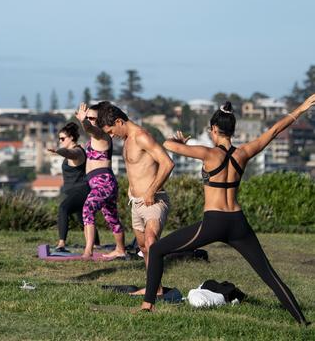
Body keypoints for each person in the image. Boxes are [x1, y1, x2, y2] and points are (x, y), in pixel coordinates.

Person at [140, 96, 315, 325]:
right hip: (238, 222)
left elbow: (168, 146)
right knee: (270, 276)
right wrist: (301, 108)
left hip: (213, 222)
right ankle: (303, 323)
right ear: (232, 130)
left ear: (214, 129)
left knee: (157, 249)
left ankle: (147, 306)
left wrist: (178, 139)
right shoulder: (243, 153)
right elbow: (274, 131)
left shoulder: (208, 154)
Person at [96, 102, 174, 290]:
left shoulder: (141, 137)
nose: (111, 135)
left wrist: (152, 190)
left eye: (111, 131)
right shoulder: (127, 139)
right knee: (144, 248)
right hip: (137, 203)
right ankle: (154, 288)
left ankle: (153, 291)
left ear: (119, 121)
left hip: (153, 200)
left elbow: (167, 163)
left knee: (150, 242)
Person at [76, 103, 126, 259]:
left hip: (103, 183)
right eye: (88, 117)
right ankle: (120, 249)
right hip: (103, 184)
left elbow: (89, 128)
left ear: (100, 120)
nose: (90, 120)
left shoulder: (101, 135)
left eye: (92, 118)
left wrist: (83, 121)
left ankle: (88, 251)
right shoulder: (95, 138)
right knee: (112, 218)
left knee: (87, 209)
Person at [47, 122, 93, 252]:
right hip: (74, 192)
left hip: (81, 191)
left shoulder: (77, 152)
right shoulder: (73, 152)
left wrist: (58, 151)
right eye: (59, 139)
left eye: (62, 138)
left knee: (63, 208)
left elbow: (69, 153)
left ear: (71, 138)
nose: (60, 141)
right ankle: (95, 243)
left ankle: (61, 243)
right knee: (84, 219)